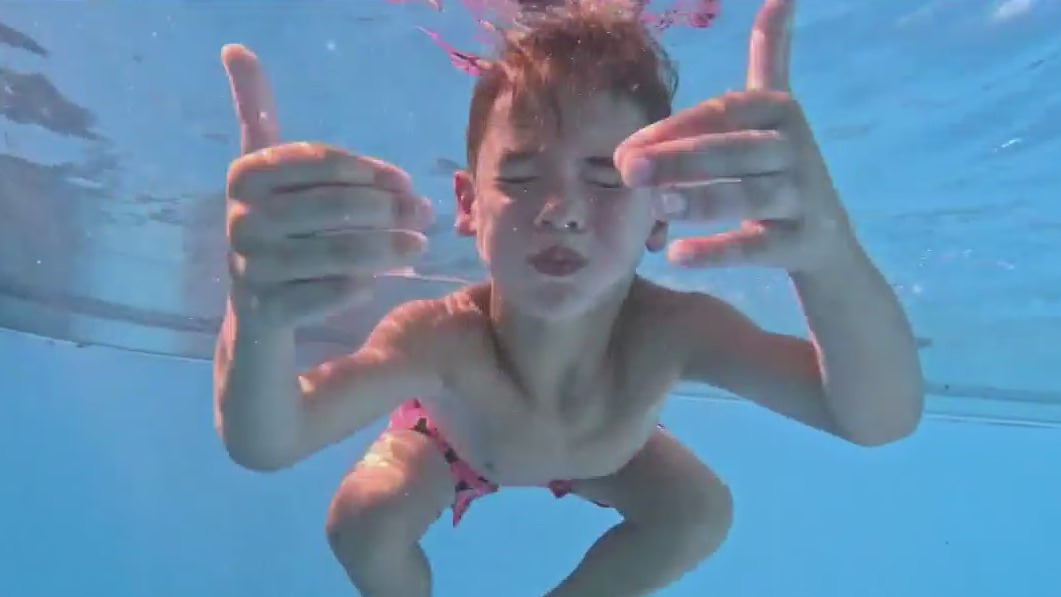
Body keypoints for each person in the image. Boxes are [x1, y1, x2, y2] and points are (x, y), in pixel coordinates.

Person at [213, 1, 924, 595]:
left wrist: (825, 254)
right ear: (468, 204)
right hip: (455, 445)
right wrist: (258, 312)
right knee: (364, 519)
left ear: (662, 209)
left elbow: (875, 417)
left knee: (697, 511)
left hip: (604, 448)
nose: (560, 211)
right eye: (520, 176)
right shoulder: (435, 338)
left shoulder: (675, 330)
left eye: (607, 177)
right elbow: (270, 440)